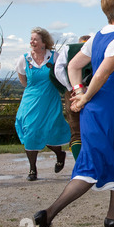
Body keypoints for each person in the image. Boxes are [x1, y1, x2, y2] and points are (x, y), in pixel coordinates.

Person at [33, 0, 114, 227]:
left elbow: (74, 65)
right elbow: (102, 73)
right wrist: (84, 96)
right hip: (105, 113)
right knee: (90, 169)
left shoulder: (99, 35)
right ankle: (48, 214)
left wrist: (79, 90)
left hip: (110, 113)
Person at [15, 27, 71, 181]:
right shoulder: (24, 59)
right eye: (31, 39)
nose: (32, 42)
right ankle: (32, 169)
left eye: (35, 39)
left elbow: (63, 75)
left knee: (50, 130)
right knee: (30, 131)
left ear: (44, 43)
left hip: (50, 100)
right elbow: (23, 80)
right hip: (31, 100)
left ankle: (60, 154)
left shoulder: (54, 57)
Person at [54, 35, 91, 160]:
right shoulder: (98, 48)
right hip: (93, 91)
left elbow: (58, 69)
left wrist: (71, 87)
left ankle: (80, 165)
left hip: (73, 92)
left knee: (76, 132)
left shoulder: (69, 49)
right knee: (94, 129)